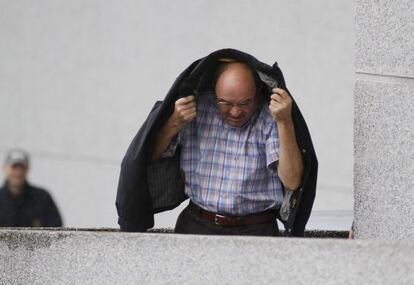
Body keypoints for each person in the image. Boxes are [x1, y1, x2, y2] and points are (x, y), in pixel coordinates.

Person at [116, 48, 318, 236]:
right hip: (196, 224)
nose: (236, 111)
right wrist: (173, 123)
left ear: (257, 94)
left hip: (256, 229)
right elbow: (149, 157)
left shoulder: (270, 114)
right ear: (214, 93)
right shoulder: (195, 107)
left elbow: (292, 181)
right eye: (226, 103)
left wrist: (285, 121)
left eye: (245, 103)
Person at [0, 149, 63, 227]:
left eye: (22, 168)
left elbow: (56, 229)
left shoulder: (42, 198)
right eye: (14, 167)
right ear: (5, 168)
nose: (18, 173)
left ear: (27, 169)